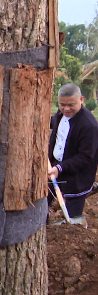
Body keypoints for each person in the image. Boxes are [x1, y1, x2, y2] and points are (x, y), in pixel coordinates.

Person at [48, 83, 98, 226]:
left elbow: (85, 157)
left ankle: (72, 227)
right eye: (62, 104)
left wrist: (60, 169)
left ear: (81, 100)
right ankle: (42, 229)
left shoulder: (89, 125)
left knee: (71, 217)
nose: (66, 109)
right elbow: (54, 122)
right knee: (43, 199)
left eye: (71, 105)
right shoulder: (60, 114)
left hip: (76, 174)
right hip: (53, 165)